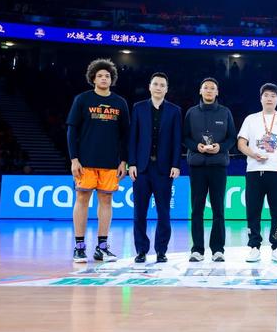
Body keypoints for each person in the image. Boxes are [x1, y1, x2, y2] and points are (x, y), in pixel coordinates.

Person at [66, 58, 129, 263]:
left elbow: (126, 136)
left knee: (106, 201)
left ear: (112, 79)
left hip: (110, 162)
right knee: (82, 199)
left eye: (107, 76)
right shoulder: (82, 99)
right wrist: (74, 159)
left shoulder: (120, 102)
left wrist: (124, 161)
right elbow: (72, 131)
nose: (104, 78)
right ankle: (79, 247)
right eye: (100, 75)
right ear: (93, 78)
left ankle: (102, 247)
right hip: (85, 162)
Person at [237, 83, 277, 263]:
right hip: (254, 171)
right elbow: (241, 144)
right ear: (260, 98)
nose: (269, 98)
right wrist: (253, 154)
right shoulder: (251, 119)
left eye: (273, 96)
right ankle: (254, 246)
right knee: (253, 211)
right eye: (266, 95)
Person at [128, 72, 182, 264]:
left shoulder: (175, 111)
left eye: (162, 85)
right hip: (141, 168)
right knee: (139, 212)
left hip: (164, 169)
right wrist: (132, 163)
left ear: (166, 89)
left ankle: (161, 250)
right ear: (149, 86)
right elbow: (133, 137)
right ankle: (141, 250)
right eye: (156, 84)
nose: (158, 87)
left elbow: (177, 140)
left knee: (164, 212)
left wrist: (176, 164)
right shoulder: (138, 108)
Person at [183, 77, 236, 262]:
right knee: (197, 210)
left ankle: (218, 249)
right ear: (200, 91)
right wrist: (196, 146)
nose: (209, 90)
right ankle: (197, 249)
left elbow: (232, 138)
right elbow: (185, 137)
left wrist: (220, 147)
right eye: (205, 87)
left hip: (218, 166)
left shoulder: (225, 112)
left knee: (218, 210)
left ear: (217, 92)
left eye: (212, 88)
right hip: (197, 166)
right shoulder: (191, 113)